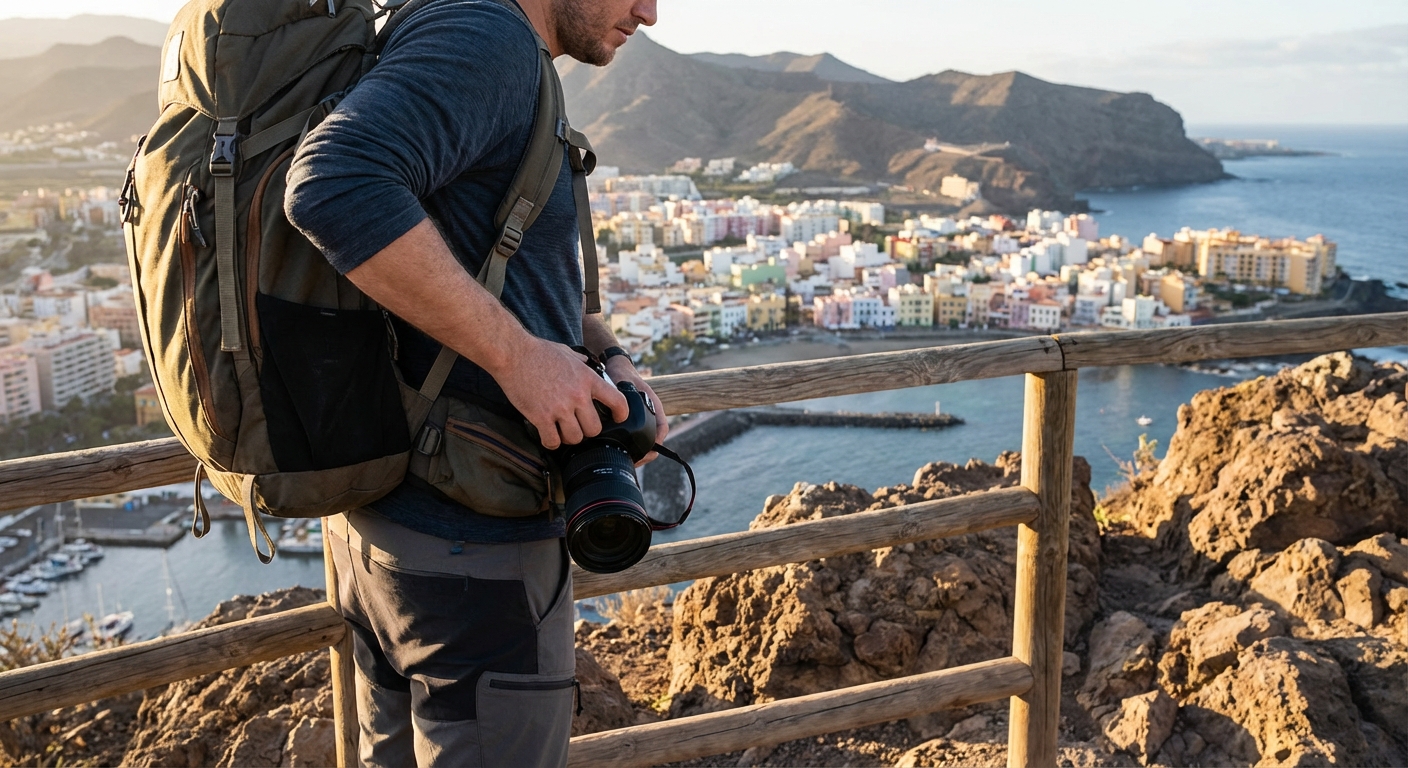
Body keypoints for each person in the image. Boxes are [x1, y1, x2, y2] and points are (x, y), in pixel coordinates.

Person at [283, 0, 660, 764]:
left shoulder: (450, 25)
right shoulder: (488, 38)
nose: (649, 13)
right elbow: (332, 181)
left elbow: (497, 262)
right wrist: (520, 360)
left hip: (393, 530)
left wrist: (607, 356)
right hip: (472, 555)